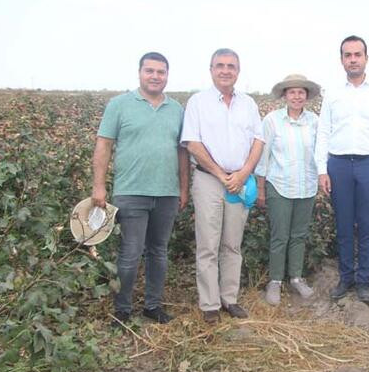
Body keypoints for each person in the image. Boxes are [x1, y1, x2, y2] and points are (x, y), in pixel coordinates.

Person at [92, 52, 189, 327]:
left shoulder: (177, 110)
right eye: (150, 71)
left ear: (167, 75)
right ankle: (123, 309)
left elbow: (183, 153)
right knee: (130, 253)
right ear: (139, 73)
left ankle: (152, 305)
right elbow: (104, 146)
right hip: (131, 192)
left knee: (158, 251)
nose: (155, 76)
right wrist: (98, 186)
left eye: (161, 72)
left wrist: (184, 188)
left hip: (167, 193)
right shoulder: (119, 105)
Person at [180, 48, 264, 324]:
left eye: (231, 66)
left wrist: (243, 174)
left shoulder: (248, 105)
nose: (225, 70)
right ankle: (209, 304)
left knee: (232, 243)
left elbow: (258, 142)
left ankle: (230, 298)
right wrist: (220, 174)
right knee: (208, 243)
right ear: (211, 69)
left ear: (238, 71)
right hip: (208, 181)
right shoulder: (198, 102)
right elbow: (192, 142)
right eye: (220, 65)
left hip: (239, 182)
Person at [314, 35, 369, 303]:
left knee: (368, 225)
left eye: (357, 54)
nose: (353, 59)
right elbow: (324, 132)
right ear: (341, 60)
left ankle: (364, 282)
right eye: (347, 55)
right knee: (344, 225)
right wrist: (322, 170)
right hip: (338, 165)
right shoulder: (333, 93)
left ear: (366, 58)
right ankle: (346, 277)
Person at [255, 74, 321, 306]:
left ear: (306, 96)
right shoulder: (272, 121)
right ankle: (274, 281)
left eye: (300, 92)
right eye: (292, 92)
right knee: (280, 236)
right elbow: (263, 156)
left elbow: (320, 154)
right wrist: (261, 188)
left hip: (307, 186)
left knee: (299, 235)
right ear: (284, 95)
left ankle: (296, 277)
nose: (296, 96)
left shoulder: (314, 121)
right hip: (279, 185)